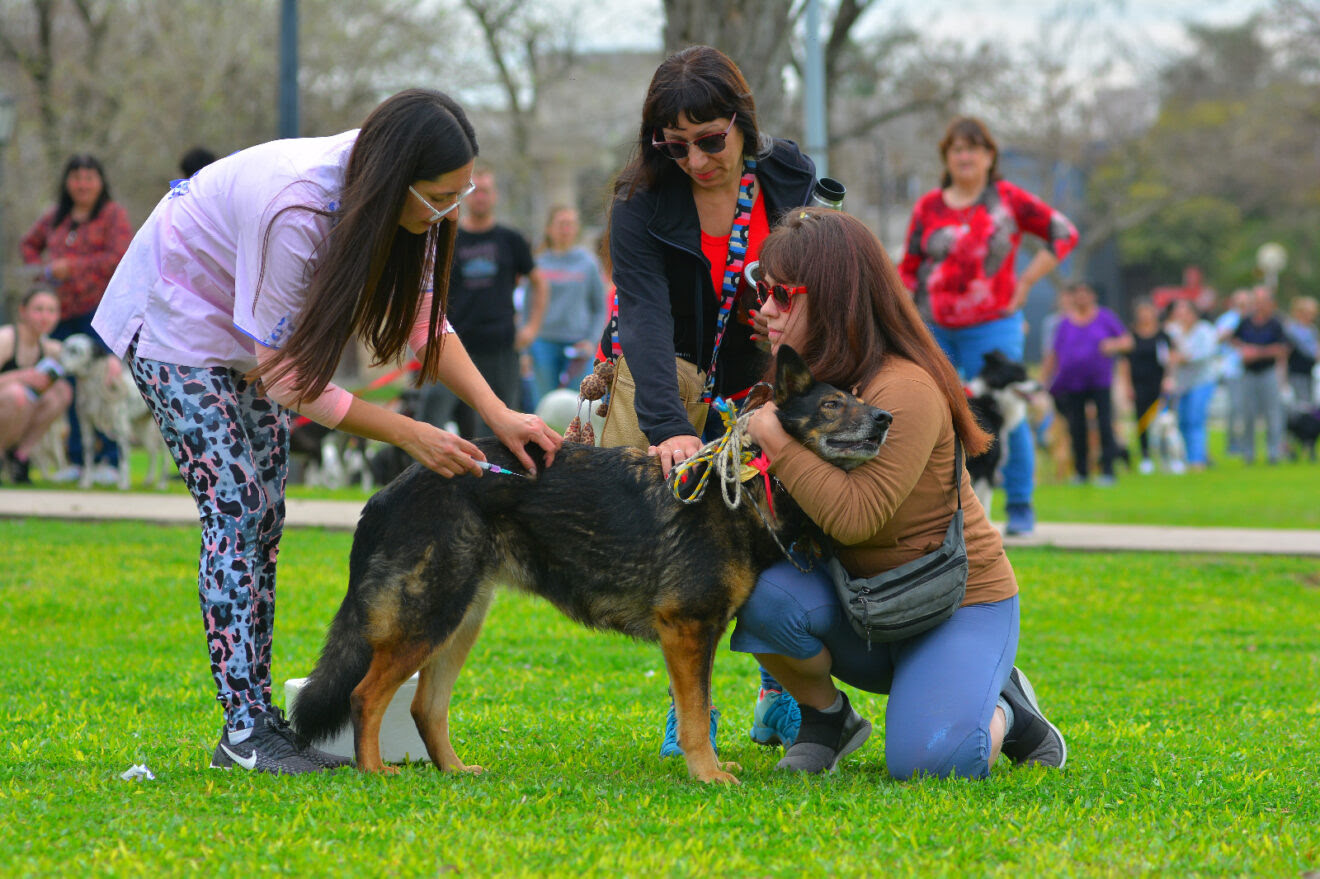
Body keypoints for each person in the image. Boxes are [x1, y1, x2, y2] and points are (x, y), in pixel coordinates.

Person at [91, 89, 562, 775]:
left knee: (267, 513)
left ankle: (254, 725)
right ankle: (246, 728)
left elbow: (424, 323)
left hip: (248, 336)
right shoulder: (299, 209)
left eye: (460, 197)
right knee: (237, 507)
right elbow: (286, 378)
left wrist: (499, 412)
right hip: (174, 316)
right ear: (398, 179)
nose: (449, 214)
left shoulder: (405, 210)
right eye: (439, 198)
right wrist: (408, 432)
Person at [733, 208, 1065, 778]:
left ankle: (1005, 702)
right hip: (862, 602)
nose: (765, 308)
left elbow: (857, 518)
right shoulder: (805, 377)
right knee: (754, 593)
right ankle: (826, 719)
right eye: (763, 290)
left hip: (953, 605)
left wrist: (776, 443)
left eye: (782, 295)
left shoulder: (904, 388)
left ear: (836, 297)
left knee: (933, 765)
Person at [606, 45, 818, 756]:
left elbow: (822, 276)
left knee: (777, 530)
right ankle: (688, 704)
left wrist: (791, 319)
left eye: (710, 140)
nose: (696, 160)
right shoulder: (640, 201)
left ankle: (780, 687)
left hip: (769, 374)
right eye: (676, 144)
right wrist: (667, 425)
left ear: (740, 120)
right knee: (684, 542)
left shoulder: (788, 175)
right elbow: (642, 311)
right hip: (677, 377)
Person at [898, 117, 1078, 535]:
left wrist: (1028, 281)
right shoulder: (928, 207)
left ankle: (1019, 508)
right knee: (929, 415)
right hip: (934, 328)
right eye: (956, 148)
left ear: (989, 156)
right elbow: (909, 268)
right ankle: (932, 512)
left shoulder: (1008, 200)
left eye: (973, 148)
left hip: (994, 328)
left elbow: (1064, 233)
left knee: (1006, 417)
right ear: (946, 157)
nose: (965, 156)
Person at [20, 154, 133, 483]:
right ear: (67, 182)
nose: (82, 184)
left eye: (89, 177)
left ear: (100, 181)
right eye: (76, 177)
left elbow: (120, 256)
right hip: (60, 313)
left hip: (99, 311)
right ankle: (77, 459)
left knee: (102, 383)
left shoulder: (113, 215)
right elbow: (29, 245)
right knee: (67, 384)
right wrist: (42, 272)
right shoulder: (56, 217)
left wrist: (75, 267)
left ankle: (110, 459)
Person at [415, 166, 548, 438]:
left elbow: (539, 282)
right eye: (475, 191)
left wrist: (532, 328)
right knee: (431, 418)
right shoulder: (445, 236)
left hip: (499, 347)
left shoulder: (510, 240)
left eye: (486, 191)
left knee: (500, 426)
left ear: (495, 196)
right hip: (450, 345)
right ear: (464, 196)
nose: (481, 197)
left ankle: (497, 480)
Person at [1041, 282, 1131, 485]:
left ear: (1093, 296)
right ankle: (1081, 472)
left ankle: (1107, 469)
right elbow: (1053, 353)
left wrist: (1113, 345)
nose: (1081, 298)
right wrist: (1045, 379)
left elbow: (1127, 340)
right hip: (1072, 383)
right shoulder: (1064, 323)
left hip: (1100, 380)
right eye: (1077, 294)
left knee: (1104, 423)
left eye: (1085, 294)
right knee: (1076, 426)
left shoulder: (1105, 317)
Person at [529, 205, 606, 404]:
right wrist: (525, 348)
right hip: (543, 343)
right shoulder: (537, 263)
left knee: (578, 406)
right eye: (561, 224)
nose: (566, 229)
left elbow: (600, 307)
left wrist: (591, 340)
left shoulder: (588, 263)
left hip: (578, 344)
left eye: (570, 224)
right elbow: (527, 307)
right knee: (545, 404)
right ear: (549, 229)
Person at [0, 289, 73, 483]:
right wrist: (19, 376)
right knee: (17, 394)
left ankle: (20, 458)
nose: (45, 317)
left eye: (51, 311)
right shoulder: (6, 339)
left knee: (61, 391)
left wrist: (111, 362)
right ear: (22, 311)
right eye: (38, 310)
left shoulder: (47, 347)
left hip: (18, 419)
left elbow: (80, 352)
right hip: (9, 405)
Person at [1232, 286, 1290, 464]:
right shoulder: (1246, 322)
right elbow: (1235, 340)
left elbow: (1282, 349)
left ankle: (1274, 452)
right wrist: (1243, 350)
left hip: (1268, 372)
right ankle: (1248, 453)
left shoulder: (1276, 323)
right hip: (1249, 373)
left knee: (1273, 413)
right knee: (1247, 414)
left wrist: (1258, 352)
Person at [1164, 299, 1219, 471]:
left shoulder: (1205, 330)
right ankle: (1187, 456)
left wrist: (1182, 357)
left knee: (1195, 419)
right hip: (1180, 383)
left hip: (1202, 381)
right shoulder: (1171, 331)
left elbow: (1205, 353)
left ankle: (1197, 459)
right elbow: (1163, 353)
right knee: (1182, 421)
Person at [1125, 298, 1171, 474]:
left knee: (1164, 422)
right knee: (1141, 420)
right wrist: (1127, 385)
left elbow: (1170, 359)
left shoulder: (1162, 335)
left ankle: (1167, 456)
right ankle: (1145, 456)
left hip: (1158, 382)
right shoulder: (1131, 335)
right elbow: (1125, 362)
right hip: (1139, 383)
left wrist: (1168, 379)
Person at [1215, 289, 1252, 457]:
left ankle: (1247, 443)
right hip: (1233, 369)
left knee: (1248, 409)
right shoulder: (1228, 319)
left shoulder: (1253, 319)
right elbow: (1217, 339)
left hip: (1251, 368)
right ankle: (1233, 443)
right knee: (1235, 407)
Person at [1284, 295, 1318, 409]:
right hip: (1295, 373)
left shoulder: (1312, 330)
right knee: (1299, 407)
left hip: (1309, 372)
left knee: (1309, 404)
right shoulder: (1291, 329)